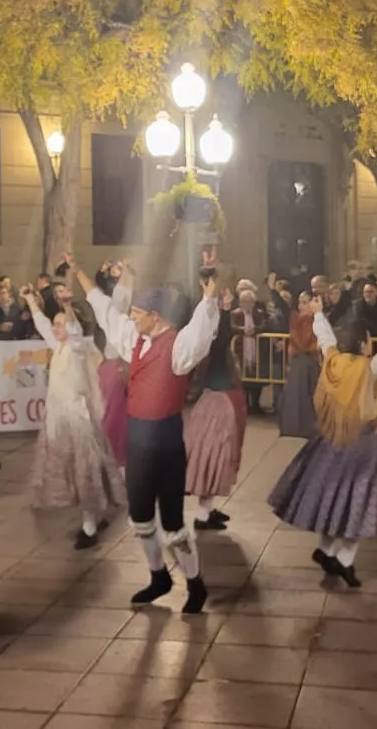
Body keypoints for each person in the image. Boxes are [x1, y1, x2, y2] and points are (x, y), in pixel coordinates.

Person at [71, 249, 221, 613]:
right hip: (138, 438)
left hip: (166, 441)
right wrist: (78, 273)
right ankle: (159, 576)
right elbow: (104, 309)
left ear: (155, 318)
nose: (131, 319)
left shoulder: (178, 346)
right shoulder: (133, 338)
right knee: (139, 515)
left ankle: (195, 584)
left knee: (172, 522)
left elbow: (204, 327)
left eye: (137, 314)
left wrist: (210, 291)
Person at [267, 311, 377, 587]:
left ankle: (327, 551)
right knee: (360, 502)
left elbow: (325, 340)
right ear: (362, 345)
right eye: (367, 342)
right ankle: (344, 560)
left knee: (332, 499)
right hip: (363, 444)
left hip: (332, 440)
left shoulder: (332, 361)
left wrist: (319, 314)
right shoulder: (367, 368)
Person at [23, 290, 124, 549]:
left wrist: (67, 308)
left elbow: (75, 332)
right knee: (70, 470)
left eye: (60, 325)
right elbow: (43, 325)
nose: (56, 328)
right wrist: (32, 301)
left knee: (84, 472)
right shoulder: (59, 346)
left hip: (76, 418)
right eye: (56, 324)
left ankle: (90, 526)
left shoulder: (77, 347)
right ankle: (94, 517)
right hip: (59, 417)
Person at [185, 291, 248, 532]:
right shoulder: (210, 344)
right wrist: (223, 309)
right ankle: (202, 515)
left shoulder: (207, 344)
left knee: (214, 459)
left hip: (216, 401)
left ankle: (207, 510)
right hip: (217, 405)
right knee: (215, 458)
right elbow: (222, 337)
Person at [92, 265, 132, 466]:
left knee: (114, 411)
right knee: (108, 409)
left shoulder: (125, 323)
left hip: (116, 366)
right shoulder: (109, 320)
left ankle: (115, 452)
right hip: (109, 365)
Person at [277, 294, 323, 439]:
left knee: (306, 395)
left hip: (308, 362)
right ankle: (294, 427)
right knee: (294, 395)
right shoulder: (297, 319)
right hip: (298, 362)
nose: (300, 306)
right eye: (300, 303)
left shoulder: (313, 320)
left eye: (304, 303)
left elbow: (303, 343)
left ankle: (307, 427)